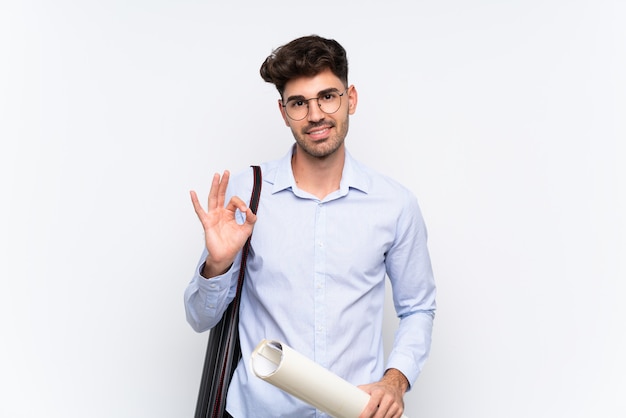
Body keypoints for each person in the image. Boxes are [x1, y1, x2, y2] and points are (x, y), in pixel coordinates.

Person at [185, 34, 436, 418]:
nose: (315, 114)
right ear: (283, 112)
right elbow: (200, 318)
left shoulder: (395, 204)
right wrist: (217, 266)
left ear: (350, 98)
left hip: (353, 412)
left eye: (328, 96)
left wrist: (394, 380)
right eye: (299, 103)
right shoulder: (247, 194)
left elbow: (418, 307)